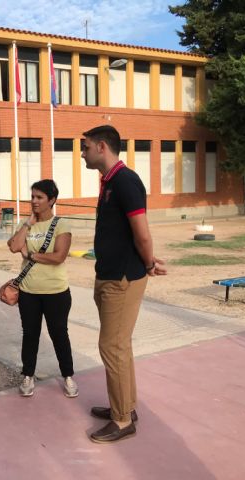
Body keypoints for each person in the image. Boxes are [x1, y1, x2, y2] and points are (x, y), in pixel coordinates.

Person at [81, 125, 167, 444]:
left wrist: (148, 261)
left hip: (122, 279)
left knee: (111, 346)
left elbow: (141, 232)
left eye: (85, 147)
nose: (82, 153)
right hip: (109, 274)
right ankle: (125, 408)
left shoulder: (126, 181)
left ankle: (122, 421)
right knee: (120, 345)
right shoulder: (109, 181)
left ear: (102, 147)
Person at [7, 179, 78, 399]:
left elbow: (59, 257)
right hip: (29, 292)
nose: (34, 201)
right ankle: (28, 375)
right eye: (33, 197)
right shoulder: (27, 225)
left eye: (39, 197)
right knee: (30, 335)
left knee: (59, 334)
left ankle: (68, 376)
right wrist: (28, 222)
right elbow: (13, 246)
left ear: (52, 200)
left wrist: (30, 254)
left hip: (56, 292)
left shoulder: (61, 225)